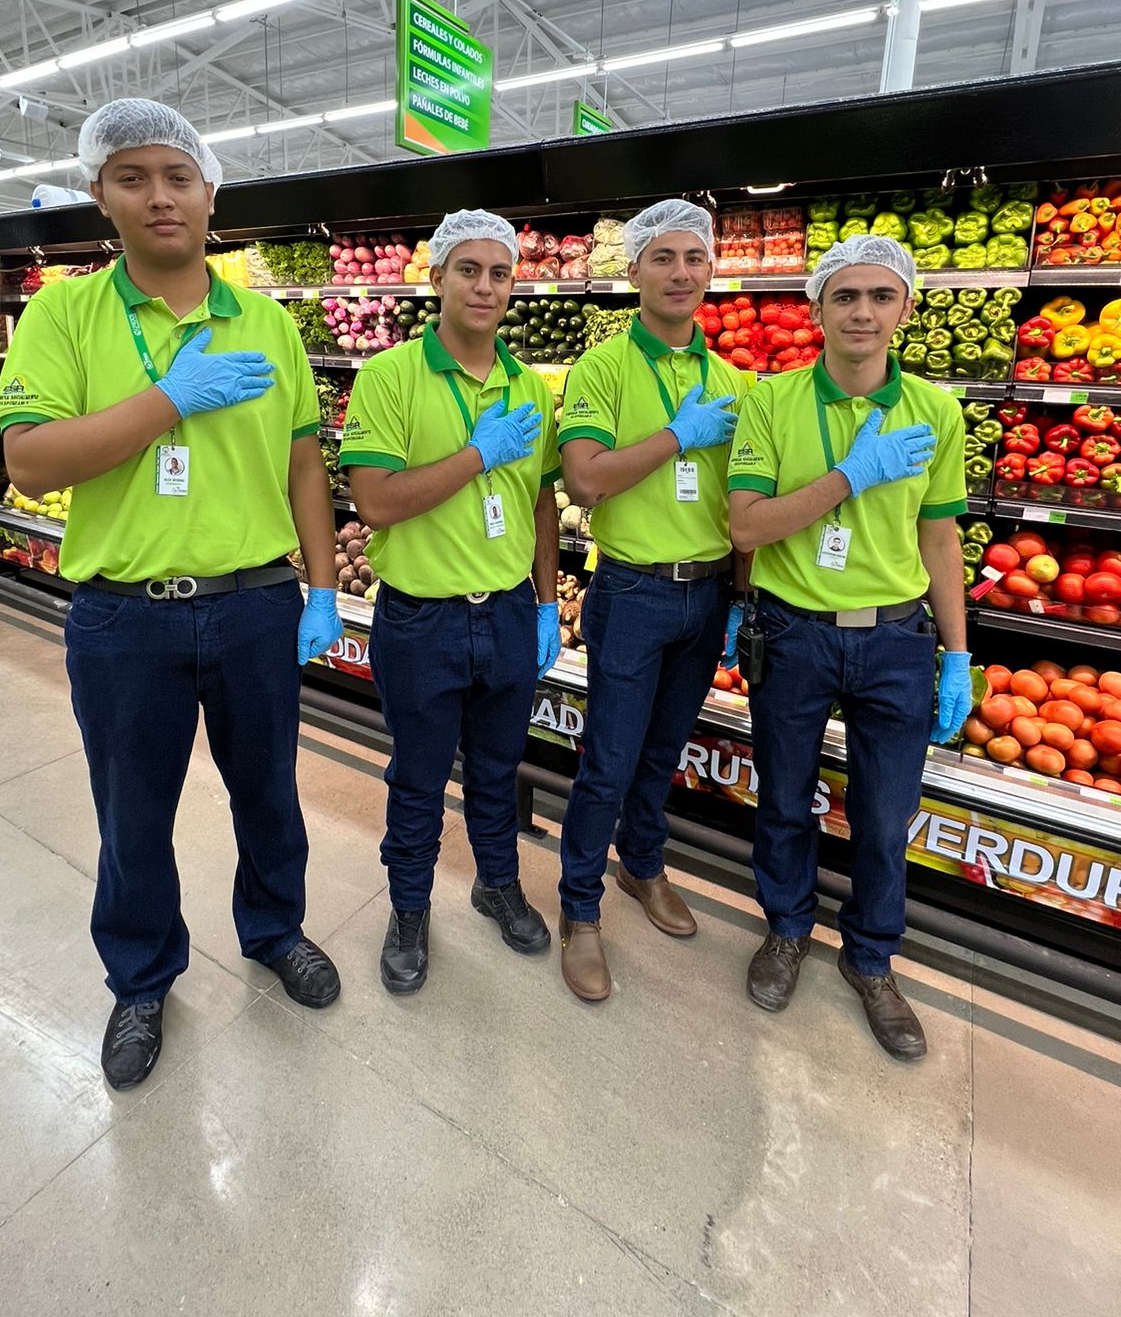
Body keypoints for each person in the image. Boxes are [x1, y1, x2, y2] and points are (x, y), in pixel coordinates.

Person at [0, 98, 345, 1091]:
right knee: (132, 814)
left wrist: (322, 587)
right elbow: (28, 459)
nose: (160, 196)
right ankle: (142, 978)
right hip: (122, 616)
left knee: (269, 794)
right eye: (133, 177)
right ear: (100, 193)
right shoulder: (64, 316)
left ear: (209, 194)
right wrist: (167, 400)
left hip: (255, 605)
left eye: (178, 176)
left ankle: (275, 930)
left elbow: (304, 464)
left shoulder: (268, 325)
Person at [727, 234, 971, 1061]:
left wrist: (957, 653)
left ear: (906, 308)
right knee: (784, 796)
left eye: (880, 295)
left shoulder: (936, 411)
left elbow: (940, 539)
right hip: (793, 630)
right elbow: (747, 527)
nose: (862, 311)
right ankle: (786, 928)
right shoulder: (772, 401)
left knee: (884, 813)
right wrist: (851, 475)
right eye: (845, 296)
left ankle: (871, 958)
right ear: (818, 308)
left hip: (897, 638)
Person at [339, 209, 561, 995]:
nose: (485, 286)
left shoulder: (530, 387)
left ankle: (496, 883)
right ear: (436, 278)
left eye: (500, 273)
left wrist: (544, 601)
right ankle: (408, 908)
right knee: (419, 778)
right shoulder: (390, 377)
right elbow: (376, 501)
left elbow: (540, 501)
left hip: (507, 613)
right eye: (469, 269)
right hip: (421, 619)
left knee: (499, 770)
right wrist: (476, 454)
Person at [555, 199, 748, 1002]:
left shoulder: (733, 381)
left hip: (707, 594)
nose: (680, 272)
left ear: (711, 270)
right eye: (663, 257)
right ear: (634, 269)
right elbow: (584, 480)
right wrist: (677, 435)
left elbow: (744, 499)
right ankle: (579, 911)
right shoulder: (602, 369)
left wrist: (741, 598)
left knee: (664, 752)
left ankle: (642, 865)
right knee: (609, 760)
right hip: (632, 589)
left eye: (694, 257)